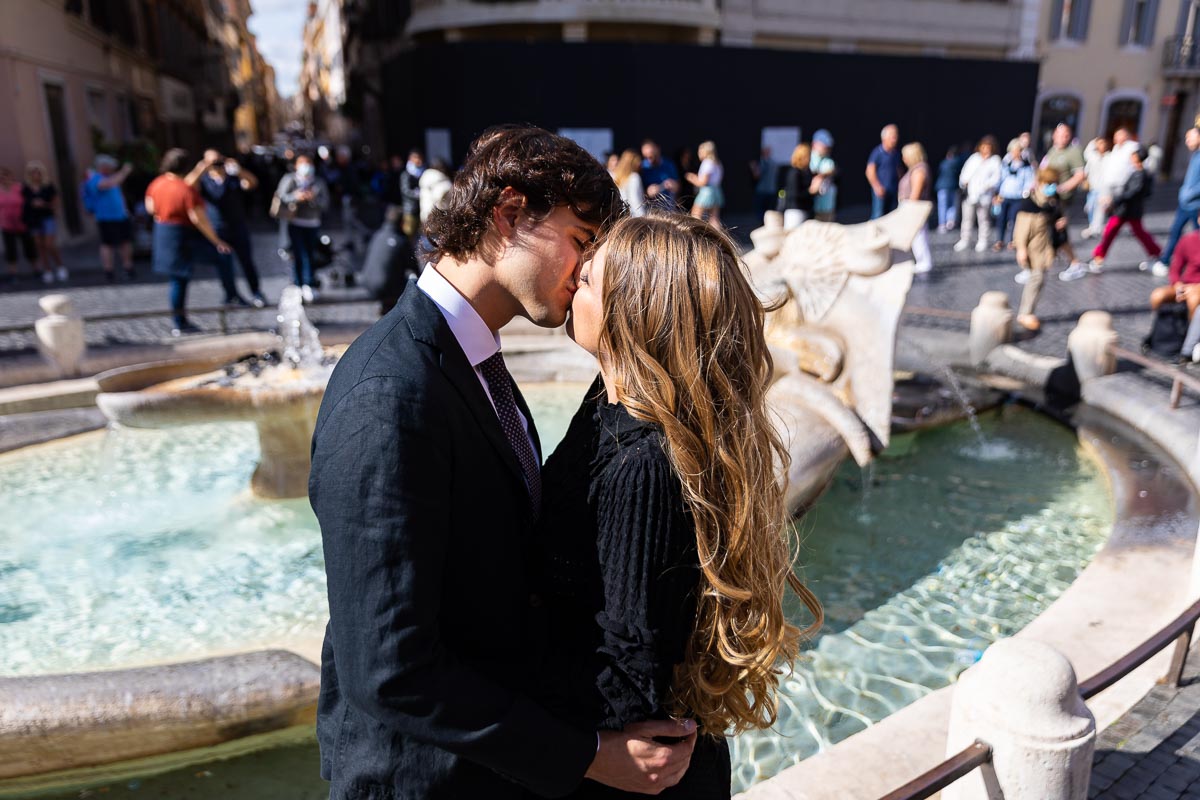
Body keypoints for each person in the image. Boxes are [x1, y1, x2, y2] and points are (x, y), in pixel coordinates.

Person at [309, 126, 698, 800]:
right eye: (580, 240)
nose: (584, 271)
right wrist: (583, 754)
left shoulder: (472, 357)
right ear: (510, 214)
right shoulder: (390, 395)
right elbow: (389, 668)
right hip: (418, 781)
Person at [539, 212, 822, 798]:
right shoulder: (613, 406)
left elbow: (627, 672)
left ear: (634, 314)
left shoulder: (643, 462)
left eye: (588, 278)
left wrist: (486, 684)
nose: (570, 279)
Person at [144, 149, 235, 336]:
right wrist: (217, 241)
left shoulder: (157, 183)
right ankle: (229, 296)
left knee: (177, 279)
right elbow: (198, 218)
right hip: (181, 235)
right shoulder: (183, 188)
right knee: (183, 277)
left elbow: (150, 208)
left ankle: (180, 320)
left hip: (164, 233)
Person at [198, 150, 266, 308]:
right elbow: (187, 186)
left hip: (238, 226)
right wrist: (202, 168)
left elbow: (252, 183)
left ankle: (256, 291)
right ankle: (231, 295)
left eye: (218, 160)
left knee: (247, 262)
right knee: (224, 265)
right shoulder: (204, 180)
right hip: (217, 229)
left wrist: (238, 169)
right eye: (212, 161)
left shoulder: (233, 176)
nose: (216, 164)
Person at [1090, 145, 1161, 272]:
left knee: (1111, 232)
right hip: (1129, 210)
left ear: (1138, 158)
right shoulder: (1139, 173)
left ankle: (1099, 256)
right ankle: (1156, 252)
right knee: (1127, 233)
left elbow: (1131, 192)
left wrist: (1113, 200)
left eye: (1133, 156)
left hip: (1127, 210)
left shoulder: (1140, 174)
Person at [1012, 167, 1066, 331]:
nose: (1052, 187)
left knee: (1039, 279)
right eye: (1049, 183)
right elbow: (1021, 229)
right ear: (1041, 183)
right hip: (1033, 247)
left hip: (1045, 246)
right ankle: (1025, 313)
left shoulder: (1052, 201)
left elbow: (1056, 217)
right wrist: (1021, 249)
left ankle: (1028, 312)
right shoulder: (1030, 203)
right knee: (1037, 278)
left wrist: (1061, 222)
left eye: (1054, 183)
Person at [274, 154, 329, 300]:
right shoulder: (290, 179)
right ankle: (298, 284)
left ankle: (309, 283)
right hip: (295, 222)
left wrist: (313, 199)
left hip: (312, 223)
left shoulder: (318, 182)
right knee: (298, 254)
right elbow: (281, 196)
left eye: (308, 164)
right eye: (302, 164)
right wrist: (295, 197)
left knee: (310, 254)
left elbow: (325, 204)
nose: (306, 167)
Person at [1041, 123, 1090, 282]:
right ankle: (1045, 263)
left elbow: (1080, 175)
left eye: (1066, 135)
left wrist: (1062, 188)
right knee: (1048, 231)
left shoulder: (1074, 152)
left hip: (1063, 200)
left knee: (1059, 231)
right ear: (1054, 135)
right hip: (1050, 198)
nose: (1063, 138)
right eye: (1060, 134)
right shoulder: (1053, 150)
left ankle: (1075, 263)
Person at [1150, 127, 1200, 278]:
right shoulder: (1195, 155)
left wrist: (1189, 193)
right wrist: (1184, 192)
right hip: (1185, 204)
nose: (1187, 141)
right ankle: (1165, 261)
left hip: (1196, 205)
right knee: (1175, 232)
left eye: (1190, 138)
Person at [84, 154, 135, 282]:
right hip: (106, 218)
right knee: (108, 244)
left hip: (121, 216)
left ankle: (128, 267)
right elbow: (108, 184)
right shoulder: (95, 178)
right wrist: (124, 172)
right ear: (103, 166)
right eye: (110, 166)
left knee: (125, 242)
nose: (112, 168)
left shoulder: (110, 177)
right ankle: (109, 270)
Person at [359, 205, 419, 315]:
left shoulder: (377, 235)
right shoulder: (401, 241)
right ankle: (397, 312)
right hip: (385, 287)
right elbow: (414, 266)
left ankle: (385, 307)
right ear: (402, 223)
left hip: (366, 283)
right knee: (410, 281)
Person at [1151, 211, 1200, 326]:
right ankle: (1158, 332)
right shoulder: (1187, 240)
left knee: (1194, 299)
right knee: (1157, 295)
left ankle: (1194, 337)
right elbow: (1175, 268)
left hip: (1197, 288)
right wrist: (1177, 284)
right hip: (1185, 286)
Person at [954, 136, 1002, 253]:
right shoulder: (974, 158)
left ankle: (983, 240)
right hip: (970, 194)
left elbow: (996, 178)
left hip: (984, 195)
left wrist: (986, 186)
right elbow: (965, 172)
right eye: (983, 147)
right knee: (967, 218)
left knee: (983, 219)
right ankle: (965, 239)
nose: (985, 149)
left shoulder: (995, 160)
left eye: (988, 147)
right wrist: (964, 182)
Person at [23, 161, 66, 283]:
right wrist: (32, 204)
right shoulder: (26, 188)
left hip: (47, 218)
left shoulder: (48, 186)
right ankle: (47, 270)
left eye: (38, 173)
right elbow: (24, 203)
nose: (35, 175)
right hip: (33, 219)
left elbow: (55, 202)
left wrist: (44, 204)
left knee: (49, 244)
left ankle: (60, 266)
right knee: (39, 246)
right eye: (33, 173)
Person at [899, 142, 933, 273]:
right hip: (912, 207)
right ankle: (921, 261)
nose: (903, 159)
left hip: (915, 208)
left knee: (919, 236)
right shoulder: (916, 169)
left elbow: (916, 193)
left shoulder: (919, 170)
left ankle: (924, 262)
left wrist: (909, 208)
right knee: (916, 236)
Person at [994, 140, 1034, 251]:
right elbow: (1000, 179)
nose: (1016, 153)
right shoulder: (1006, 164)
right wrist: (996, 193)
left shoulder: (1026, 166)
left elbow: (1029, 181)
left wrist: (1026, 192)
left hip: (1017, 197)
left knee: (1014, 219)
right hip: (1005, 195)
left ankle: (1012, 240)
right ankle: (999, 240)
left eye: (1018, 150)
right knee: (1001, 219)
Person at [0, 167, 37, 284]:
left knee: (29, 247)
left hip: (22, 223)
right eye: (2, 177)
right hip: (6, 224)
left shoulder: (19, 188)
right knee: (11, 250)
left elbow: (29, 201)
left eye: (6, 175)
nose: (4, 178)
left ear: (11, 176)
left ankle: (36, 270)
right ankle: (13, 273)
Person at [866, 124, 902, 219]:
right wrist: (876, 186)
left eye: (896, 136)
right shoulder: (877, 153)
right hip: (880, 191)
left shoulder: (896, 154)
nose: (895, 139)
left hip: (893, 190)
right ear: (884, 138)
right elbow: (869, 171)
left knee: (890, 216)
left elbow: (899, 171)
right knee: (878, 215)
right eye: (892, 137)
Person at [686, 140, 724, 228]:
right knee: (714, 219)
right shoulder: (717, 163)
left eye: (700, 151)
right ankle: (719, 239)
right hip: (717, 191)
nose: (698, 153)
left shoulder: (707, 163)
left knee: (695, 216)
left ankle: (695, 238)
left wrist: (691, 178)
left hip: (707, 193)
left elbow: (702, 182)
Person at [778, 142, 814, 229]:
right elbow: (794, 194)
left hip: (805, 211)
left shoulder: (806, 172)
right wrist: (811, 190)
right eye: (808, 156)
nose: (810, 159)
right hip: (795, 212)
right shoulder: (794, 173)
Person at [640, 140, 680, 211]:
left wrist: (673, 185)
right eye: (646, 156)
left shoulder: (669, 164)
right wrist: (648, 192)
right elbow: (637, 192)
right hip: (650, 209)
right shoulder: (642, 167)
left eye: (651, 155)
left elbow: (678, 187)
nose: (649, 159)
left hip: (669, 208)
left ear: (658, 149)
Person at [809, 129, 838, 222]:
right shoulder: (807, 159)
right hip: (810, 207)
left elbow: (832, 170)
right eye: (824, 145)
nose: (826, 148)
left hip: (827, 207)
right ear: (814, 144)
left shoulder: (828, 161)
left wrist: (822, 175)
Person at [935, 146, 962, 233]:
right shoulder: (958, 162)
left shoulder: (944, 163)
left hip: (942, 186)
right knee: (952, 205)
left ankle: (942, 224)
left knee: (942, 206)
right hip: (953, 186)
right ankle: (950, 222)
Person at [418, 158, 453, 225]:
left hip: (426, 213)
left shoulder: (426, 178)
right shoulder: (441, 180)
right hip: (439, 216)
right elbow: (439, 196)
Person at [612, 149, 645, 218]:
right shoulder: (634, 178)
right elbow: (635, 201)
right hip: (633, 219)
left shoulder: (614, 176)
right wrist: (643, 219)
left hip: (618, 217)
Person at [750, 146, 780, 217]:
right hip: (771, 190)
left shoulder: (763, 163)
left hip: (762, 190)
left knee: (761, 211)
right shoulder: (775, 164)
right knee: (769, 211)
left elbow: (756, 175)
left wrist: (753, 167)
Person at [400, 149, 423, 237]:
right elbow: (405, 190)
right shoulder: (406, 174)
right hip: (410, 209)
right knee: (409, 232)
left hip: (419, 209)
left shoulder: (421, 171)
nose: (419, 160)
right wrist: (417, 194)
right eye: (416, 158)